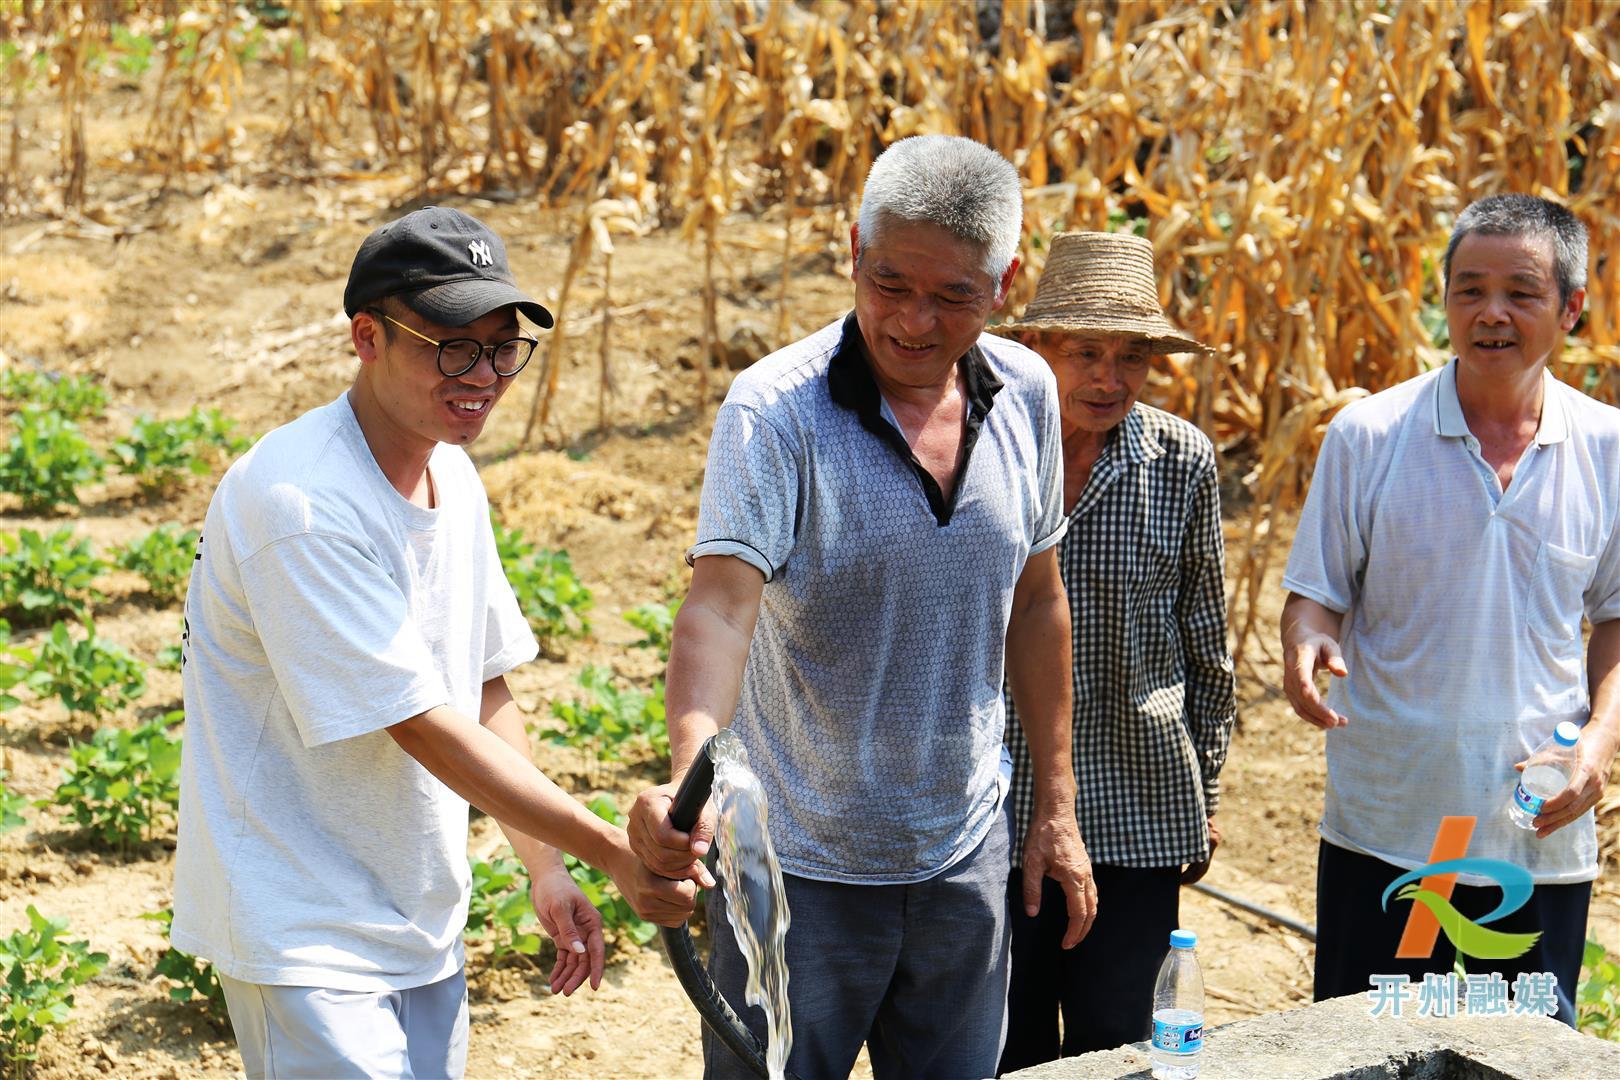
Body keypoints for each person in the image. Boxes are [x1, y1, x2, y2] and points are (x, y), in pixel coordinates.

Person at [172, 206, 696, 1078]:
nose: (482, 374)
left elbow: (484, 686)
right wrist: (612, 850)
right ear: (367, 337)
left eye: (501, 347)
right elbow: (416, 720)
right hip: (302, 922)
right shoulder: (301, 503)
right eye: (451, 345)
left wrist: (547, 865)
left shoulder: (449, 468)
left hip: (419, 909)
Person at [628, 135, 1094, 1079]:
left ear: (1004, 281)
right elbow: (718, 611)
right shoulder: (777, 412)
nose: (914, 322)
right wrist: (691, 779)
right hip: (798, 871)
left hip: (963, 855)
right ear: (853, 250)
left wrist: (1056, 804)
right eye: (889, 283)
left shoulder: (1030, 394)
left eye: (952, 295)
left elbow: (1038, 602)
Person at [1280, 194, 1620, 1024]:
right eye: (1468, 289)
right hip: (1392, 823)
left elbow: (1615, 618)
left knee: (1527, 1058)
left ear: (1571, 308)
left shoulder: (1608, 449)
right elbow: (1315, 596)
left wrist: (1599, 745)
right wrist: (1307, 648)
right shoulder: (1368, 435)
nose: (1490, 313)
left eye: (1520, 292)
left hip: (1534, 831)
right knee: (1368, 1051)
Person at [992, 231, 1237, 1071]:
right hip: (997, 799)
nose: (1109, 378)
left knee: (1124, 1042)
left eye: (1131, 357)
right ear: (1035, 349)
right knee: (1004, 1042)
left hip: (1138, 797)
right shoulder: (984, 448)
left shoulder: (1179, 461)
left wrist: (1203, 786)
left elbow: (1207, 641)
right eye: (1086, 352)